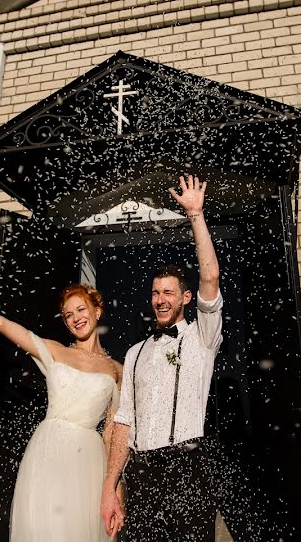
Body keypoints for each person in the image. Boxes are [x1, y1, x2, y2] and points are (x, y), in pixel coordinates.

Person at [0, 284, 123, 542]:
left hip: (89, 463)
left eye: (81, 309)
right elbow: (2, 323)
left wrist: (113, 491)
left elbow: (114, 438)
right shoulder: (56, 351)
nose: (76, 318)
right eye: (69, 315)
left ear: (97, 311)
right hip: (48, 452)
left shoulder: (117, 371)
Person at [100, 174, 223, 541]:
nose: (161, 300)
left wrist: (195, 217)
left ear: (185, 298)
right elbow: (124, 422)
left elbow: (211, 277)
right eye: (156, 293)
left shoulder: (202, 338)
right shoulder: (135, 353)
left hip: (189, 467)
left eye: (169, 292)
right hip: (142, 473)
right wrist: (111, 486)